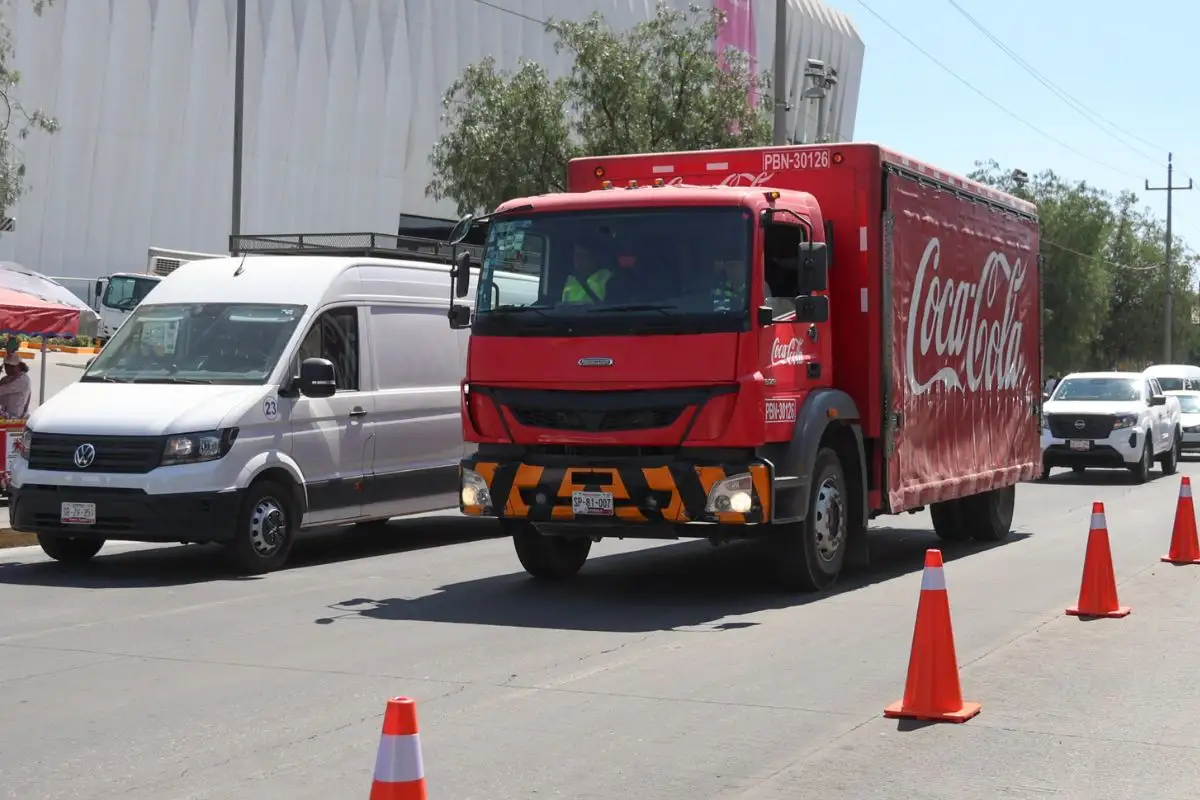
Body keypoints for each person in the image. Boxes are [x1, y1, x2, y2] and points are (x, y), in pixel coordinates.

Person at [0, 352, 31, 419]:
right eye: (6, 366)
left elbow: (2, 390)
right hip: (5, 414)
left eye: (12, 367)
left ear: (20, 366)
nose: (8, 369)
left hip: (15, 418)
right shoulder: (7, 378)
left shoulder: (22, 380)